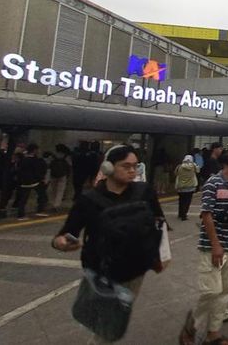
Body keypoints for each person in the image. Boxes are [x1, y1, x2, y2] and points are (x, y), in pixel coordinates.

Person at [53, 145, 165, 344]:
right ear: (108, 168)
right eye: (126, 166)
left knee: (111, 324)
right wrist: (62, 243)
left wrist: (157, 256)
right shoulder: (89, 199)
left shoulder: (144, 192)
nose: (132, 171)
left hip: (135, 270)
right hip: (101, 271)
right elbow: (66, 233)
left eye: (135, 166)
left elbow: (157, 222)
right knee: (108, 325)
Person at [181, 150, 228, 345]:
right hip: (212, 248)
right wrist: (216, 244)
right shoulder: (212, 183)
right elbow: (206, 215)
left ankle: (214, 333)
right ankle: (190, 327)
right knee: (211, 291)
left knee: (225, 290)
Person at [14, 143, 49, 220]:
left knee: (23, 198)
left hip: (24, 181)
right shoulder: (35, 160)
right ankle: (40, 210)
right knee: (42, 195)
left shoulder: (23, 159)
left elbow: (19, 170)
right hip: (34, 181)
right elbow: (38, 170)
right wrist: (41, 178)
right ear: (35, 150)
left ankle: (21, 214)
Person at [174, 155, 199, 221]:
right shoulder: (193, 166)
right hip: (190, 187)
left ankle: (180, 213)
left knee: (181, 200)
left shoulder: (179, 166)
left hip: (181, 187)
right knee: (187, 201)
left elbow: (175, 173)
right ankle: (184, 215)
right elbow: (198, 171)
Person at [48, 144, 71, 212]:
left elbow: (49, 165)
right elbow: (69, 166)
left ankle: (53, 203)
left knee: (53, 190)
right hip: (62, 175)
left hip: (53, 175)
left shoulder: (52, 156)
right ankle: (57, 205)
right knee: (60, 191)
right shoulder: (66, 156)